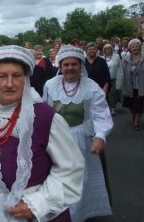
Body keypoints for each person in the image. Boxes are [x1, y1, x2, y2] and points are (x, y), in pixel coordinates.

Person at [0, 45, 84, 221]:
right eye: (2, 76)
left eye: (17, 76)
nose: (9, 83)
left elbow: (71, 169)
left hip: (24, 211)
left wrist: (37, 204)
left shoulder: (44, 117)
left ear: (26, 79)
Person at [43, 45, 113, 221]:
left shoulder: (92, 87)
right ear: (60, 66)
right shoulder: (50, 85)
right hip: (57, 140)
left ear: (81, 66)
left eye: (74, 64)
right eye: (66, 64)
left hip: (82, 140)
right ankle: (60, 212)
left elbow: (101, 115)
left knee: (81, 179)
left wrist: (100, 136)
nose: (70, 68)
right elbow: (43, 110)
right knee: (57, 177)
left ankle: (80, 213)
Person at [117, 38, 144, 130]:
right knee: (131, 104)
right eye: (133, 47)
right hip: (129, 85)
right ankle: (134, 115)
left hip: (142, 85)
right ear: (130, 48)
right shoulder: (125, 59)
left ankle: (137, 121)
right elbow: (121, 72)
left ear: (140, 47)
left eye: (137, 46)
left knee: (140, 104)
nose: (135, 48)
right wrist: (119, 84)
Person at [101, 43, 121, 116]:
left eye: (109, 48)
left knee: (113, 92)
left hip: (114, 77)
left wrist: (120, 76)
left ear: (112, 49)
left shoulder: (116, 56)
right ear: (104, 50)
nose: (107, 50)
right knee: (106, 93)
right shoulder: (102, 58)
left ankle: (113, 108)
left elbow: (120, 67)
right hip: (105, 79)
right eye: (106, 49)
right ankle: (106, 108)